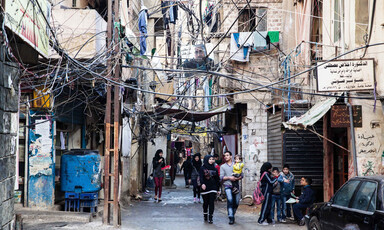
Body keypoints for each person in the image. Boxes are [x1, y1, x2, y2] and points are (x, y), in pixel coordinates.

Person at [220, 151, 242, 225]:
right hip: (227, 186)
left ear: (231, 156)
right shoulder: (222, 166)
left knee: (236, 202)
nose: (226, 157)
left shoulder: (236, 165)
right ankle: (231, 217)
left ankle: (232, 212)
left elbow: (242, 175)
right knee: (230, 200)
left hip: (235, 186)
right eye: (225, 155)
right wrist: (229, 177)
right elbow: (221, 177)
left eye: (227, 155)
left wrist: (236, 178)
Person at [199, 155, 220, 224]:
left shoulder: (215, 169)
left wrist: (218, 189)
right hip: (205, 187)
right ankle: (205, 214)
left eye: (212, 159)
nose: (211, 160)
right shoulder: (202, 168)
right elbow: (201, 177)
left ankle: (211, 217)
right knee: (206, 203)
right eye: (210, 159)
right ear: (206, 160)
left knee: (211, 202)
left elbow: (217, 179)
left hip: (213, 187)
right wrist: (202, 184)